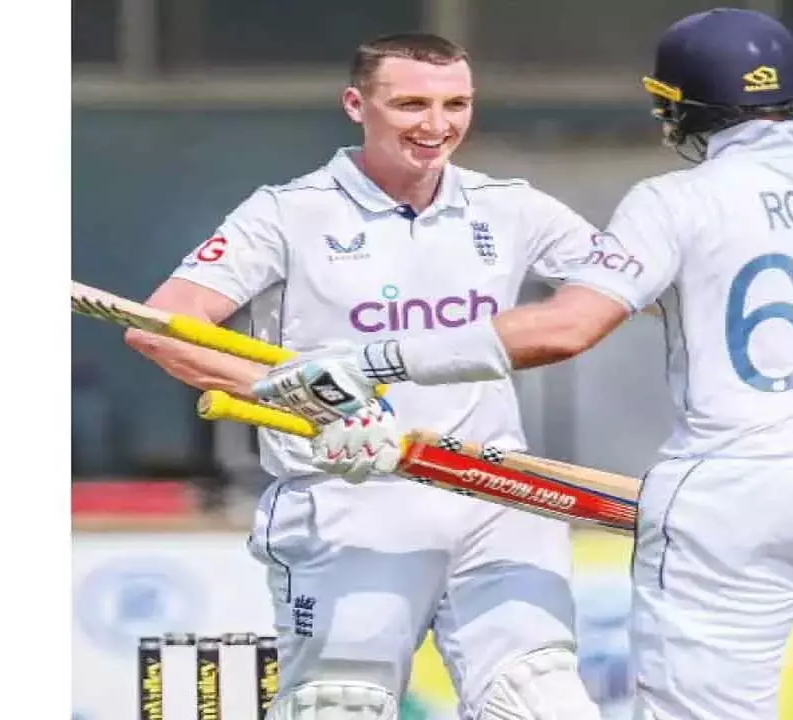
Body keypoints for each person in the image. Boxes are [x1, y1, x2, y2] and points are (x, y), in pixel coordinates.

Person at [256, 8, 793, 720]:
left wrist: (375, 361)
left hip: (736, 490)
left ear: (678, 107)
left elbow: (567, 328)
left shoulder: (678, 200)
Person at [124, 33, 606, 720]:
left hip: (492, 491)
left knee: (541, 700)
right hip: (350, 495)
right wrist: (307, 399)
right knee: (341, 702)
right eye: (410, 104)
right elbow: (163, 326)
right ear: (356, 104)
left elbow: (627, 292)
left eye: (456, 104)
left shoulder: (512, 206)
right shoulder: (289, 211)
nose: (436, 125)